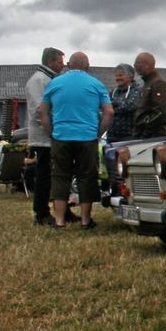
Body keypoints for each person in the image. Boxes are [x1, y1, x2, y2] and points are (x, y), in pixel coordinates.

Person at [39, 52, 112, 229]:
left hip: (61, 136)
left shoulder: (54, 83)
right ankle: (86, 221)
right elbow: (109, 112)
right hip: (87, 137)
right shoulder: (96, 84)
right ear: (87, 65)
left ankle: (59, 221)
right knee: (86, 176)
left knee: (60, 176)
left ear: (69, 65)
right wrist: (98, 133)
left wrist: (52, 133)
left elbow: (43, 112)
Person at [26, 47, 64, 225]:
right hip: (44, 137)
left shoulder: (49, 79)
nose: (63, 65)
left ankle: (63, 209)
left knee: (58, 175)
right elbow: (39, 111)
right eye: (59, 61)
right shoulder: (39, 80)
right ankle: (41, 212)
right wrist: (54, 129)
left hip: (52, 134)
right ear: (50, 62)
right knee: (44, 175)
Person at [132, 52, 166, 139]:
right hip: (143, 135)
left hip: (153, 136)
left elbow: (159, 112)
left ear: (147, 64)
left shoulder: (158, 84)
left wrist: (145, 132)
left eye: (137, 63)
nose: (135, 66)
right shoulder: (147, 84)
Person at [107, 63, 141, 144]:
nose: (117, 78)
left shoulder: (137, 90)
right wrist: (118, 105)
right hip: (111, 135)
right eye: (116, 76)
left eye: (120, 75)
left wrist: (114, 104)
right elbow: (106, 106)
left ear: (130, 76)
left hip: (129, 136)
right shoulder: (113, 91)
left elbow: (130, 106)